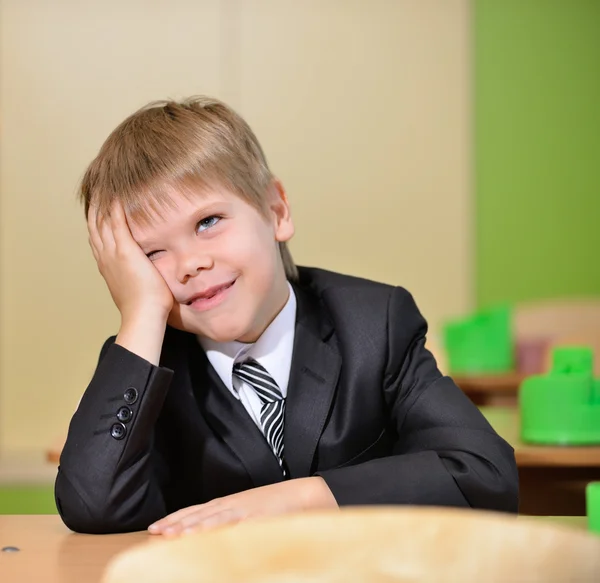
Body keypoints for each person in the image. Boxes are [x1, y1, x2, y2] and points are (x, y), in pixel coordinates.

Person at [54, 96, 518, 535]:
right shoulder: (145, 361)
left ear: (276, 210)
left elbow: (485, 474)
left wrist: (302, 497)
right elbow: (92, 504)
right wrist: (140, 314)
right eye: (151, 253)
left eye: (208, 222)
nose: (190, 264)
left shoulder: (374, 323)